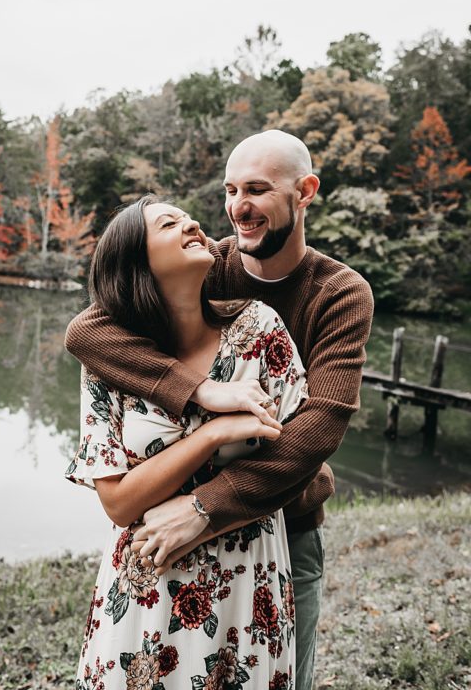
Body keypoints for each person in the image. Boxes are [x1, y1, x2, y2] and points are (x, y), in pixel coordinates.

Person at [65, 130, 374, 690]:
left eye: (256, 189)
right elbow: (86, 330)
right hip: (153, 545)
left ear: (305, 192)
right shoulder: (209, 261)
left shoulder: (338, 294)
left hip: (279, 522)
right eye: (231, 190)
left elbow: (316, 429)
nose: (236, 208)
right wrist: (200, 393)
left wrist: (205, 508)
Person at [68, 194, 306, 689]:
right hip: (145, 584)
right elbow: (118, 501)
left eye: (188, 216)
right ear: (136, 260)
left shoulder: (259, 330)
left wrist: (201, 509)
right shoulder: (110, 359)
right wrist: (213, 432)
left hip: (248, 579)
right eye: (168, 223)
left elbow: (295, 455)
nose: (192, 222)